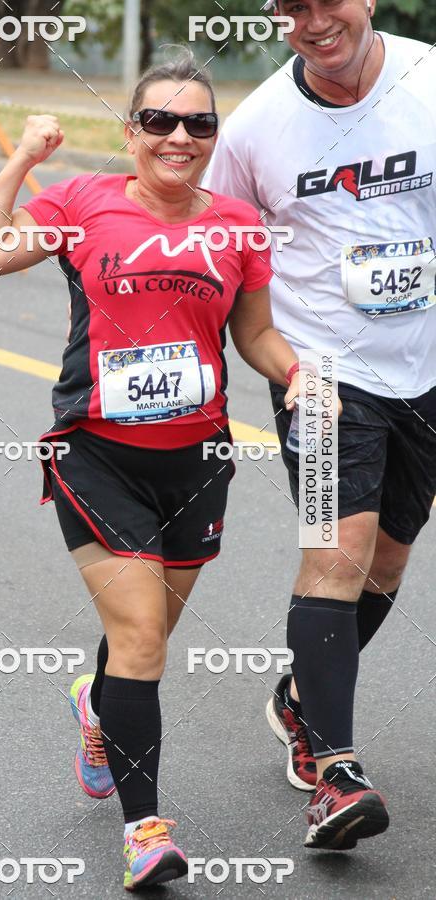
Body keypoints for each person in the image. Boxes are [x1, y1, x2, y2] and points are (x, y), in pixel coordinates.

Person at [0, 48, 302, 889]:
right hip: (95, 454)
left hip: (197, 461)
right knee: (142, 637)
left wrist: (299, 373)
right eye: (159, 120)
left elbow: (253, 334)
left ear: (213, 136)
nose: (178, 136)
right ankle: (145, 832)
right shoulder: (80, 202)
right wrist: (25, 158)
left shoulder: (238, 226)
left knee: (140, 642)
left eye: (197, 123)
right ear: (131, 131)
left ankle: (95, 707)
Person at [204, 0, 436, 851]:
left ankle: (300, 698)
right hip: (323, 373)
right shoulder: (258, 127)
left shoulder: (428, 80)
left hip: (425, 364)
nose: (312, 20)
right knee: (339, 551)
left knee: (390, 558)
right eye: (290, 7)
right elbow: (220, 247)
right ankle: (335, 773)